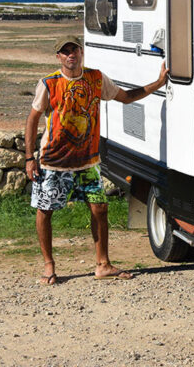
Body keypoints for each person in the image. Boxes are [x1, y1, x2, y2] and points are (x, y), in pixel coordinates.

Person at [25, 35, 168, 285]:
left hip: (88, 162)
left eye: (75, 49)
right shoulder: (49, 84)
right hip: (53, 162)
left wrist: (157, 84)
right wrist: (29, 158)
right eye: (65, 51)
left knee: (100, 209)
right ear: (58, 56)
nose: (71, 54)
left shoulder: (96, 78)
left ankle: (103, 264)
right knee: (45, 211)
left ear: (81, 53)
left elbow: (125, 97)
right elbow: (32, 119)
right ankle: (49, 266)